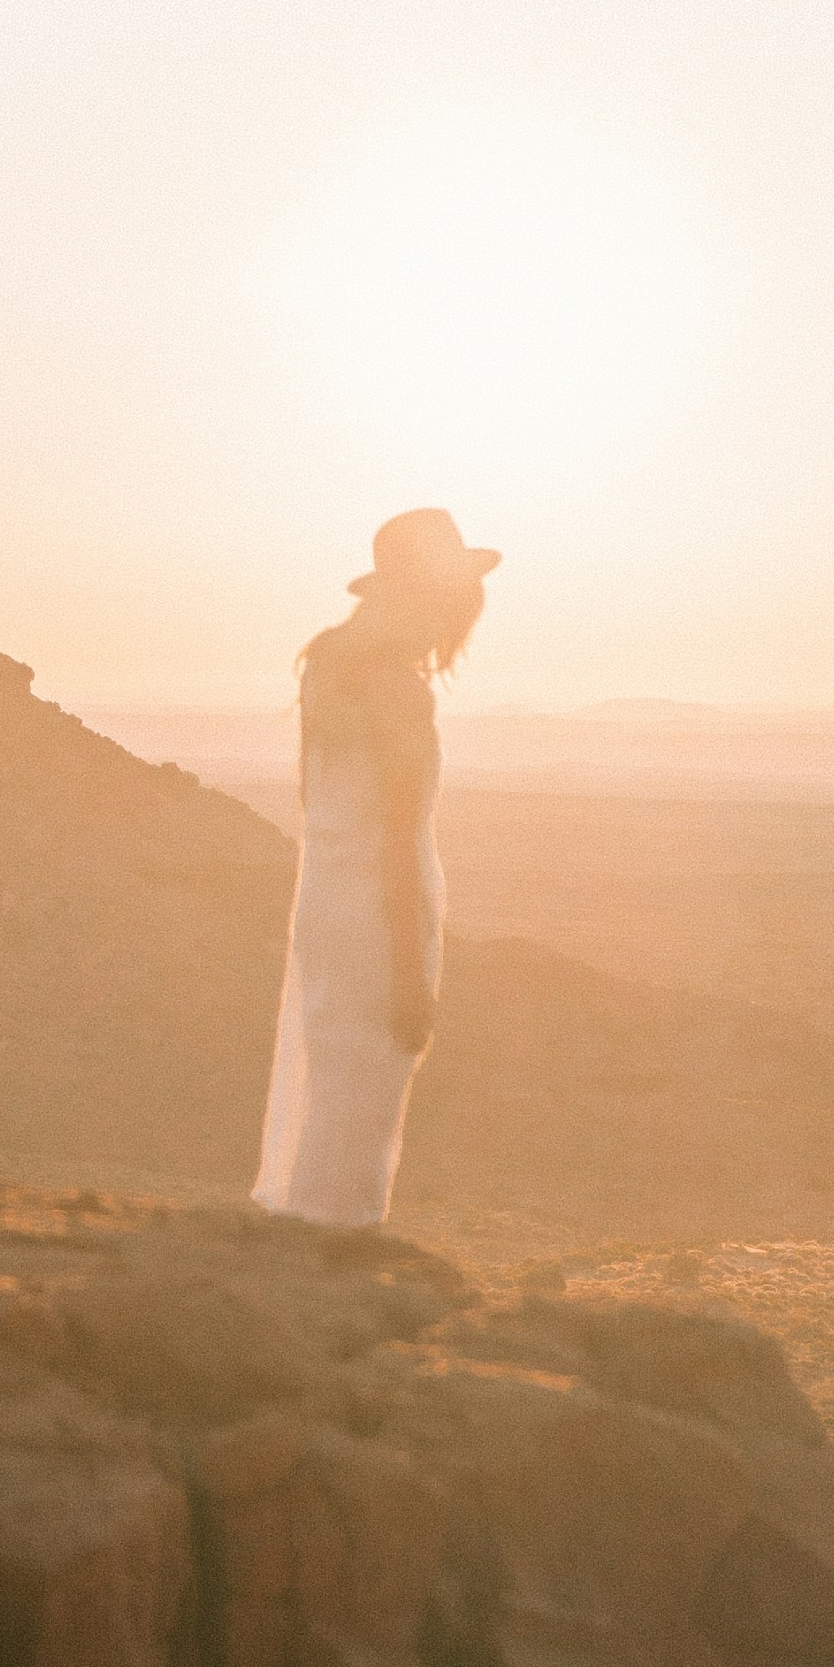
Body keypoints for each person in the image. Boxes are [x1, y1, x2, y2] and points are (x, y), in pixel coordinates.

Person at [253, 508, 499, 1228]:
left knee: (330, 1088)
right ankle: (334, 1251)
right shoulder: (396, 688)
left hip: (327, 904)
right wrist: (408, 976)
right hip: (380, 913)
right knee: (361, 1100)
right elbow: (394, 843)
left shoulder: (329, 665)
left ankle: (303, 1246)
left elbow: (315, 802)